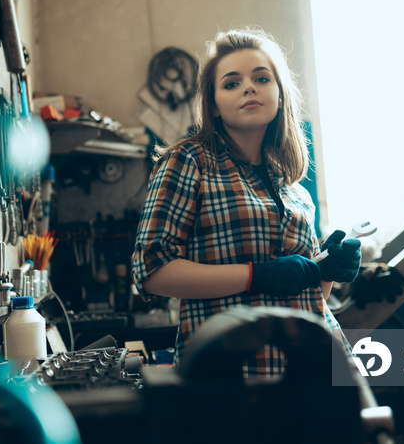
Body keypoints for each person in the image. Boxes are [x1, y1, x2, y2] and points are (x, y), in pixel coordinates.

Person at [131, 28, 361, 378]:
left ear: (280, 95)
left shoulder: (292, 187)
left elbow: (310, 298)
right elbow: (151, 271)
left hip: (315, 367)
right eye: (231, 83)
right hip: (232, 373)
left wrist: (326, 269)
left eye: (261, 78)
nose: (249, 88)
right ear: (213, 106)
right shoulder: (189, 161)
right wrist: (256, 276)